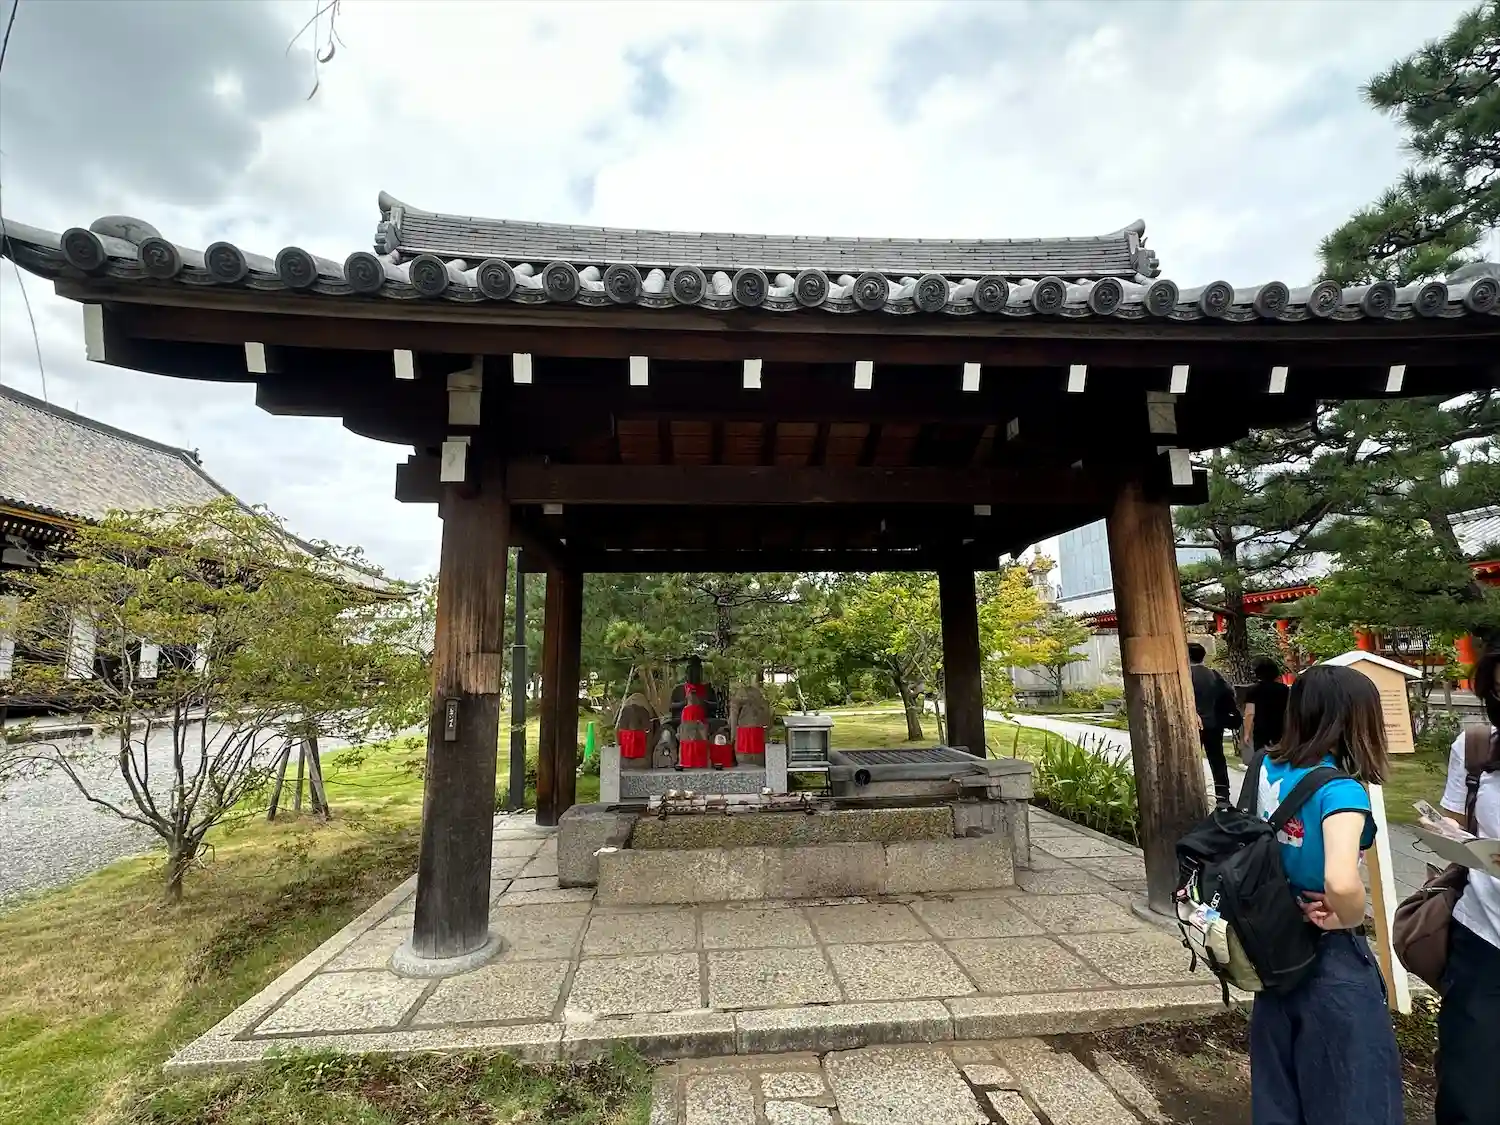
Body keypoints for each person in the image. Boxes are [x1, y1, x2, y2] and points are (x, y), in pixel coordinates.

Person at [1249, 664, 1403, 1125]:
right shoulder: (1341, 792)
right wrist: (1349, 916)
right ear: (1353, 719)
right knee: (1354, 1094)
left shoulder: (1263, 766)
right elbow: (1340, 880)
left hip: (1274, 948)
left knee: (1280, 1092)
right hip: (1328, 954)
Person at [1435, 638, 1500, 1125]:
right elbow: (1456, 825)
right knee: (1470, 1095)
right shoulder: (1476, 748)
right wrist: (1443, 833)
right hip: (1483, 939)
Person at [1188, 642, 1239, 804]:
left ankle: (1191, 794)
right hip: (1214, 723)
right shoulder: (1213, 674)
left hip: (1191, 724)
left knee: (1189, 760)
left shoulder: (1185, 675)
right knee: (1217, 759)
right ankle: (1223, 795)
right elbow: (1229, 693)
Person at [1242, 658, 1291, 753]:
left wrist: (1246, 733)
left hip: (1261, 731)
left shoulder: (1253, 690)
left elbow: (1250, 713)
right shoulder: (1284, 689)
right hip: (1281, 730)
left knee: (1261, 756)